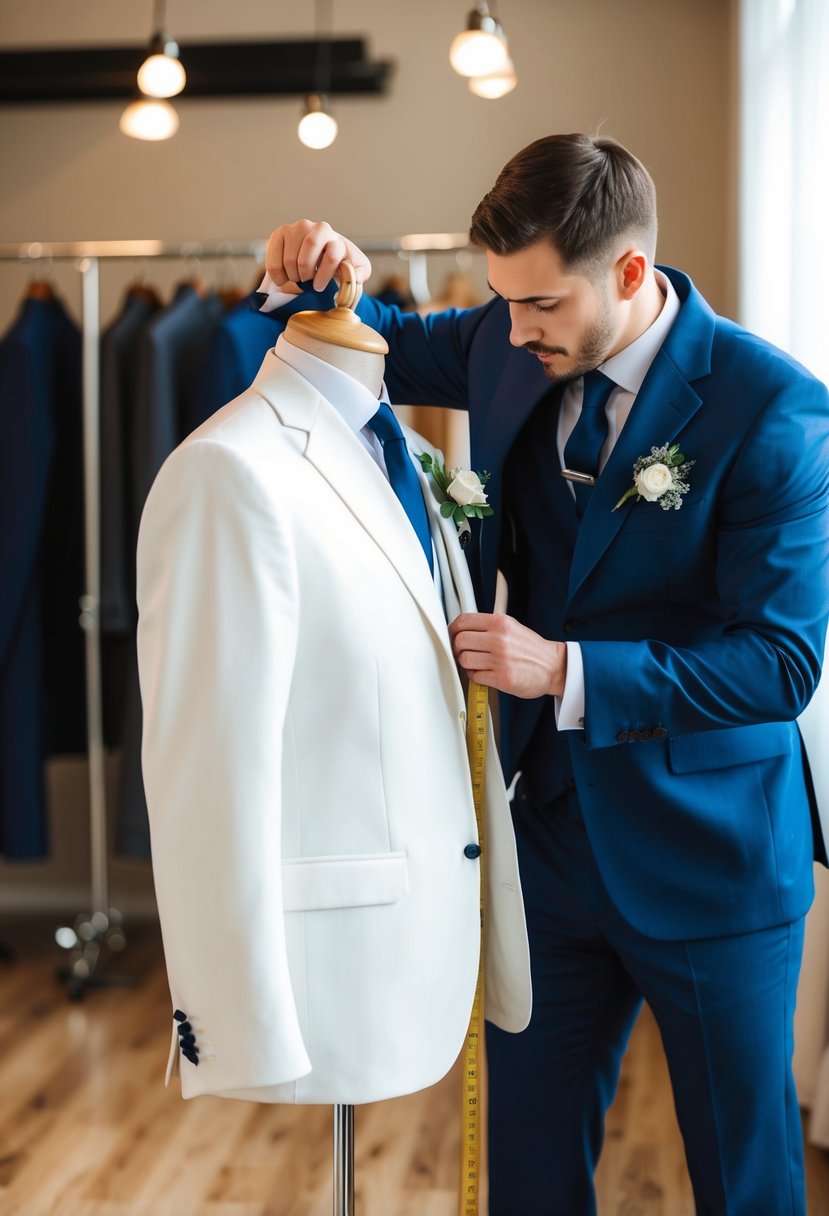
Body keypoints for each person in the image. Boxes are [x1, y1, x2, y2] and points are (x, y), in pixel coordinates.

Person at [259, 133, 829, 1214]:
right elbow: (368, 333)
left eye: (540, 309)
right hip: (551, 846)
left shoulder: (776, 411)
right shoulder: (506, 336)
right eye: (502, 305)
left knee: (743, 1179)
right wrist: (312, 270)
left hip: (715, 862)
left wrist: (563, 668)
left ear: (627, 274)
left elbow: (779, 664)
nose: (515, 334)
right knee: (523, 1159)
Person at [136, 279, 530, 1107]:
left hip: (422, 932)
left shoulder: (410, 458)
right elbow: (206, 768)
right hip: (328, 972)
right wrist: (234, 1022)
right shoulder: (228, 467)